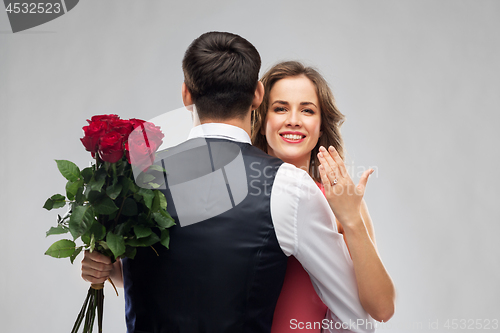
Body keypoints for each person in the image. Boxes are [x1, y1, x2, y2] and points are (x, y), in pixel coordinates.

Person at [81, 32, 375, 333]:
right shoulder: (291, 186)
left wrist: (102, 267)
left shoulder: (135, 176)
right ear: (259, 94)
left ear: (186, 95)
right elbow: (356, 318)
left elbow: (144, 274)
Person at [251, 61, 396, 332]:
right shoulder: (241, 196)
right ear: (261, 122)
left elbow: (382, 309)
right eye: (280, 108)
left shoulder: (342, 201)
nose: (293, 119)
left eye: (307, 110)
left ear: (320, 127)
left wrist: (351, 219)